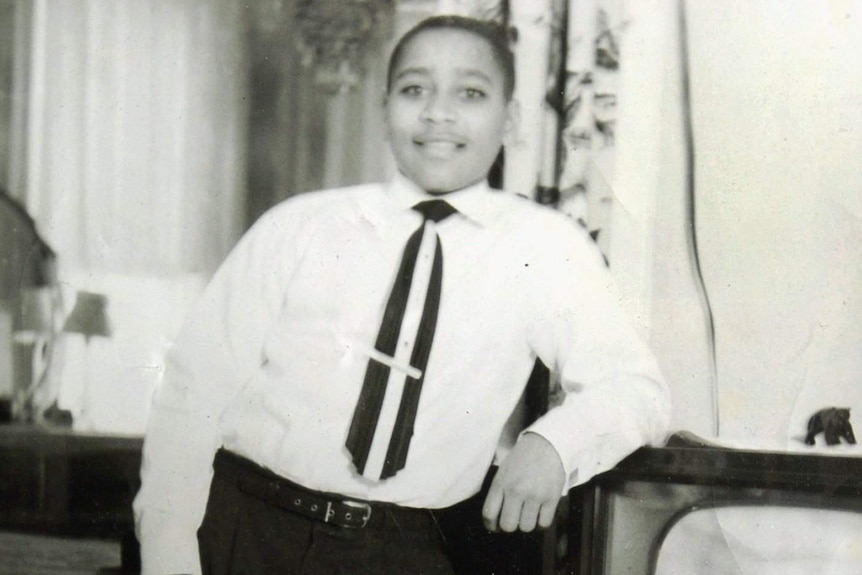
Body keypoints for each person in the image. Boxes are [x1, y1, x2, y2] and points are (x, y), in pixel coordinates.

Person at [133, 15, 670, 575]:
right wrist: (169, 555)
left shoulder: (547, 247)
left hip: (403, 550)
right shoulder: (298, 227)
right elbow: (191, 394)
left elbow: (636, 387)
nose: (439, 112)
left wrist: (556, 443)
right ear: (384, 109)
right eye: (415, 90)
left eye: (471, 92)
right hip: (247, 528)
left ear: (511, 119)